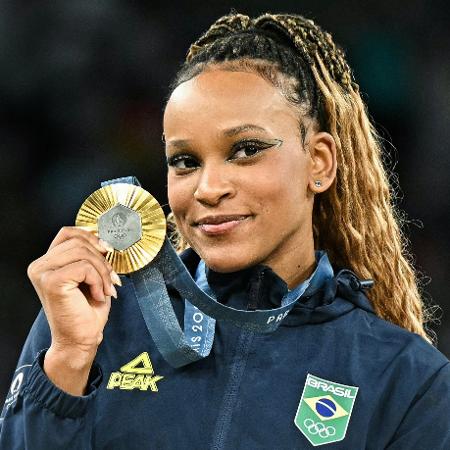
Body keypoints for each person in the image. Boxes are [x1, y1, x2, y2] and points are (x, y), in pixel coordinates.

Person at [1, 11, 449, 449]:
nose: (208, 188)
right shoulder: (92, 321)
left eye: (246, 150)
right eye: (185, 161)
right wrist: (69, 360)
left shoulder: (404, 378)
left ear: (319, 162)